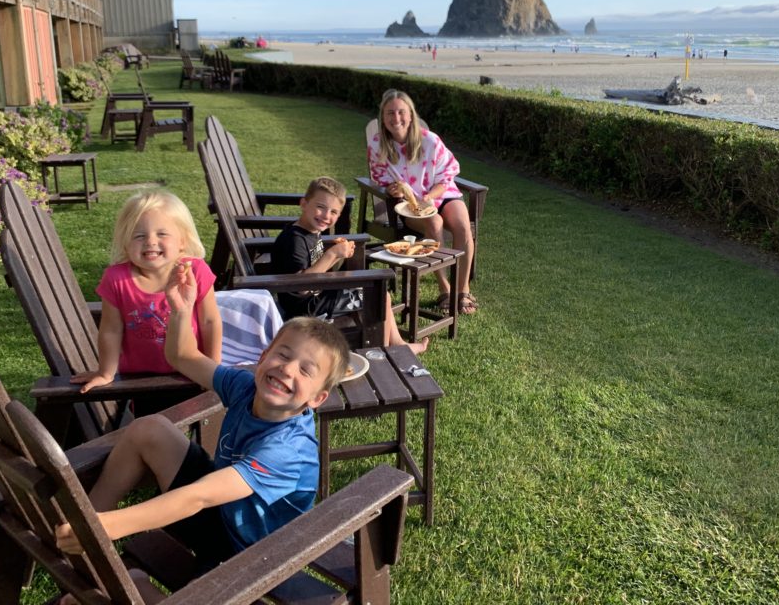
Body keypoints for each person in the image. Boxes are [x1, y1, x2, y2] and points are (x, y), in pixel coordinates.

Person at [54, 269, 348, 587]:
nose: (287, 369)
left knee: (136, 588)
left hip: (249, 557)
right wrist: (181, 311)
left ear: (318, 398)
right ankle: (82, 530)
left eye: (306, 370)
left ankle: (98, 538)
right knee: (149, 429)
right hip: (222, 517)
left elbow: (198, 497)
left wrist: (111, 527)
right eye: (282, 354)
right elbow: (182, 356)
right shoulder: (245, 386)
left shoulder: (288, 451)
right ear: (262, 357)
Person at [72, 189, 222, 393]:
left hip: (193, 373)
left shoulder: (195, 271)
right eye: (139, 236)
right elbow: (111, 330)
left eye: (162, 234)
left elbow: (209, 321)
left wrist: (213, 370)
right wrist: (105, 373)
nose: (150, 241)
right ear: (126, 244)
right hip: (140, 381)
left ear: (182, 241)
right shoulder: (117, 280)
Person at [271, 177, 428, 353]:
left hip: (318, 298)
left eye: (333, 212)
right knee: (378, 296)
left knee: (380, 294)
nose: (326, 216)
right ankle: (384, 354)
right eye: (320, 207)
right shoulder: (294, 240)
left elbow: (315, 267)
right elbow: (300, 286)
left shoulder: (311, 232)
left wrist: (338, 257)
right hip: (307, 308)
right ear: (304, 204)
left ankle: (397, 344)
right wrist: (332, 253)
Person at [367, 89, 477, 315]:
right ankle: (445, 288)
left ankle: (463, 289)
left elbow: (447, 175)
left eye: (401, 112)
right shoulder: (378, 145)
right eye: (390, 113)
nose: (396, 118)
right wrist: (393, 188)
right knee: (434, 223)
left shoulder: (430, 140)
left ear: (410, 115)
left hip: (441, 194)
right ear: (383, 117)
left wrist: (428, 197)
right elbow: (380, 178)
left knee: (462, 225)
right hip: (411, 206)